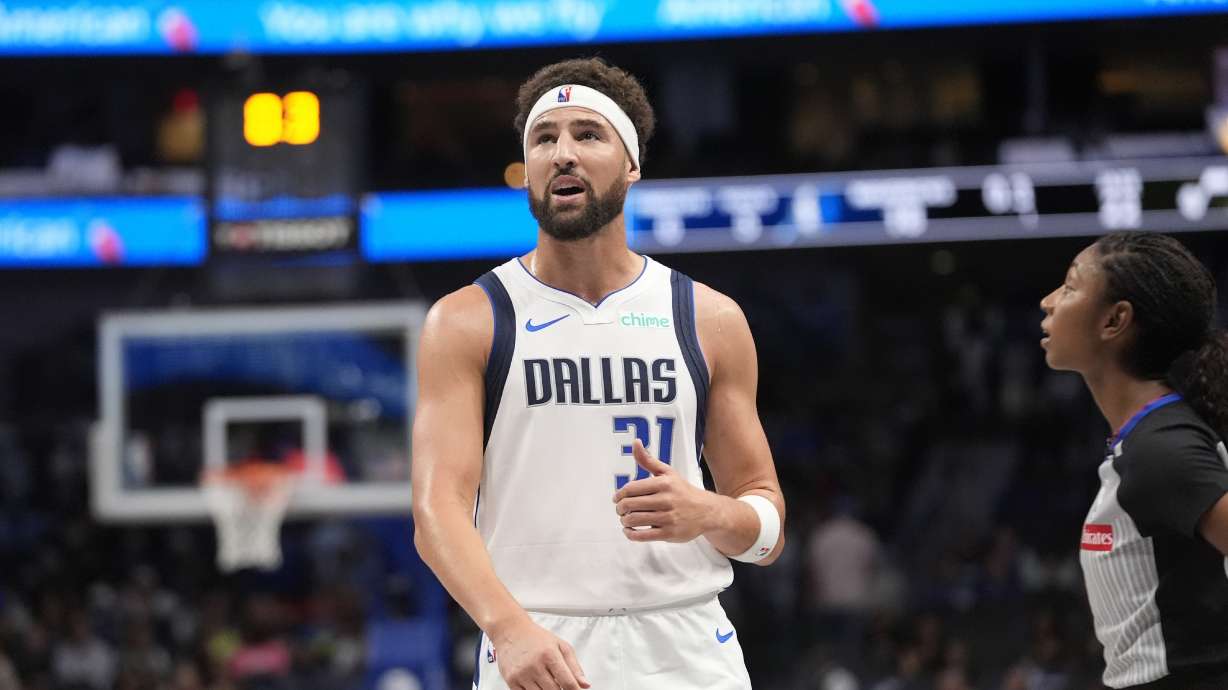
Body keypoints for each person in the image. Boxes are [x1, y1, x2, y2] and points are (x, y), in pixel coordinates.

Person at [411, 57, 786, 690]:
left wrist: (710, 513)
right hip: (537, 641)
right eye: (543, 138)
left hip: (686, 643)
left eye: (588, 134)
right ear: (526, 167)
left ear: (632, 164)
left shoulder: (708, 318)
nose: (563, 153)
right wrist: (506, 628)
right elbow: (435, 510)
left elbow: (767, 526)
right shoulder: (467, 320)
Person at [1039, 231, 1228, 688]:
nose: (1048, 301)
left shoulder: (1161, 450)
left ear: (1115, 320)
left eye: (1068, 287)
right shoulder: (1147, 440)